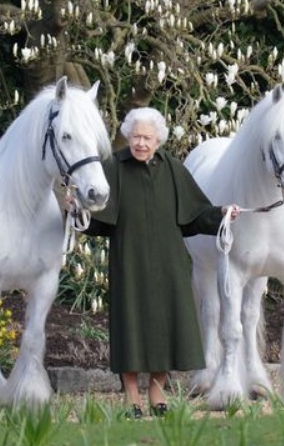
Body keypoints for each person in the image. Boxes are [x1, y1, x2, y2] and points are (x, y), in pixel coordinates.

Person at [75, 107, 239, 419]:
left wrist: (223, 213)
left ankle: (158, 391)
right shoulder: (113, 168)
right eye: (136, 136)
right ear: (127, 136)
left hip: (169, 265)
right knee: (130, 327)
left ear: (158, 140)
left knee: (168, 326)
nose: (140, 143)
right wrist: (77, 212)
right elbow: (98, 222)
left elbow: (195, 215)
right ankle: (132, 396)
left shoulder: (173, 169)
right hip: (129, 262)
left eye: (147, 137)